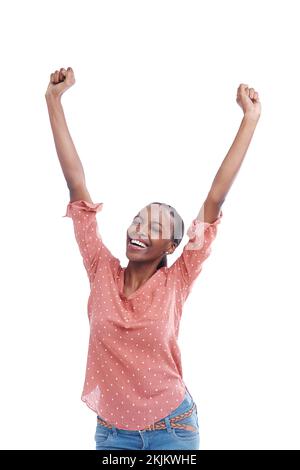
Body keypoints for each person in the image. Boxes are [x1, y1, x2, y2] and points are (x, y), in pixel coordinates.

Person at [45, 67, 261, 450]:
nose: (140, 228)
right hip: (112, 434)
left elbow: (215, 199)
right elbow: (76, 183)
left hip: (173, 429)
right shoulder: (101, 269)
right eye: (138, 219)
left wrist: (250, 118)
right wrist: (53, 100)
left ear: (172, 247)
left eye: (155, 226)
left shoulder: (178, 277)